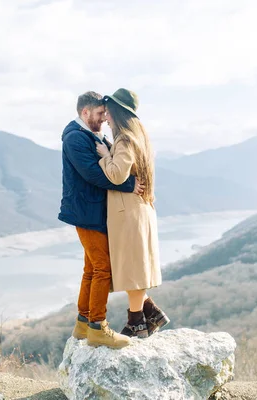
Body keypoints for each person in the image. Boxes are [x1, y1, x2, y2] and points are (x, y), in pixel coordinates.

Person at [58, 91, 144, 348]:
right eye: (99, 114)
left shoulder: (92, 134)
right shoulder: (75, 138)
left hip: (94, 210)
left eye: (105, 114)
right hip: (86, 211)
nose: (104, 119)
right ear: (85, 113)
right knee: (102, 268)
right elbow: (94, 174)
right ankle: (98, 326)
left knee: (91, 269)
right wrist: (130, 185)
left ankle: (83, 324)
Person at [95, 88, 170, 338]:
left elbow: (117, 175)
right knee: (135, 266)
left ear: (117, 113)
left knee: (132, 269)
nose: (106, 119)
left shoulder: (125, 140)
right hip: (138, 210)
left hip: (128, 212)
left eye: (108, 114)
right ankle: (151, 313)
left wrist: (106, 156)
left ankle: (136, 323)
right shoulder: (139, 137)